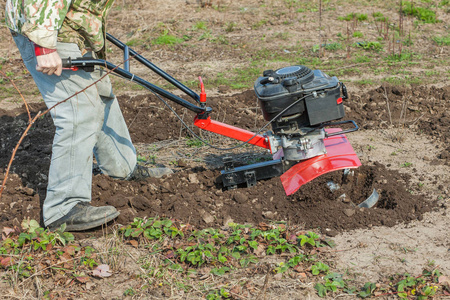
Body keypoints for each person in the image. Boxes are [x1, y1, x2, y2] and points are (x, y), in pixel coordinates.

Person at [5, 0, 172, 231]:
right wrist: (43, 45)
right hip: (48, 28)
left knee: (101, 95)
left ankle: (121, 167)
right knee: (78, 111)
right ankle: (62, 208)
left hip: (71, 25)